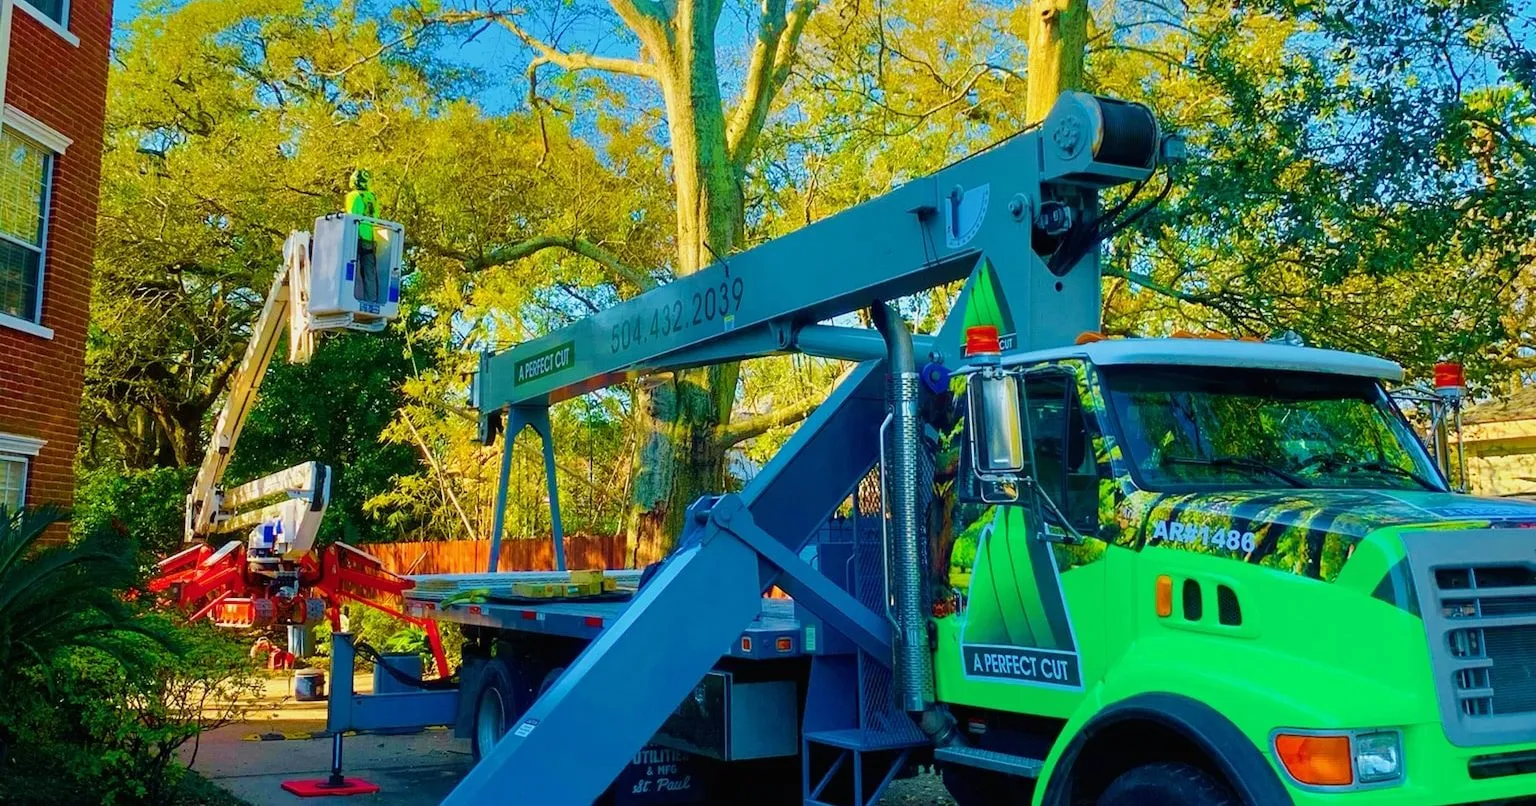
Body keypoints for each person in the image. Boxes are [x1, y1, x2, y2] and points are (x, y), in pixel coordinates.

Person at [344, 169, 380, 302]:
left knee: (349, 267)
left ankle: (349, 298)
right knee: (369, 271)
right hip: (370, 238)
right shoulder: (373, 197)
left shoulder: (353, 196)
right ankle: (371, 300)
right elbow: (376, 217)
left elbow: (351, 216)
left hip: (356, 236)